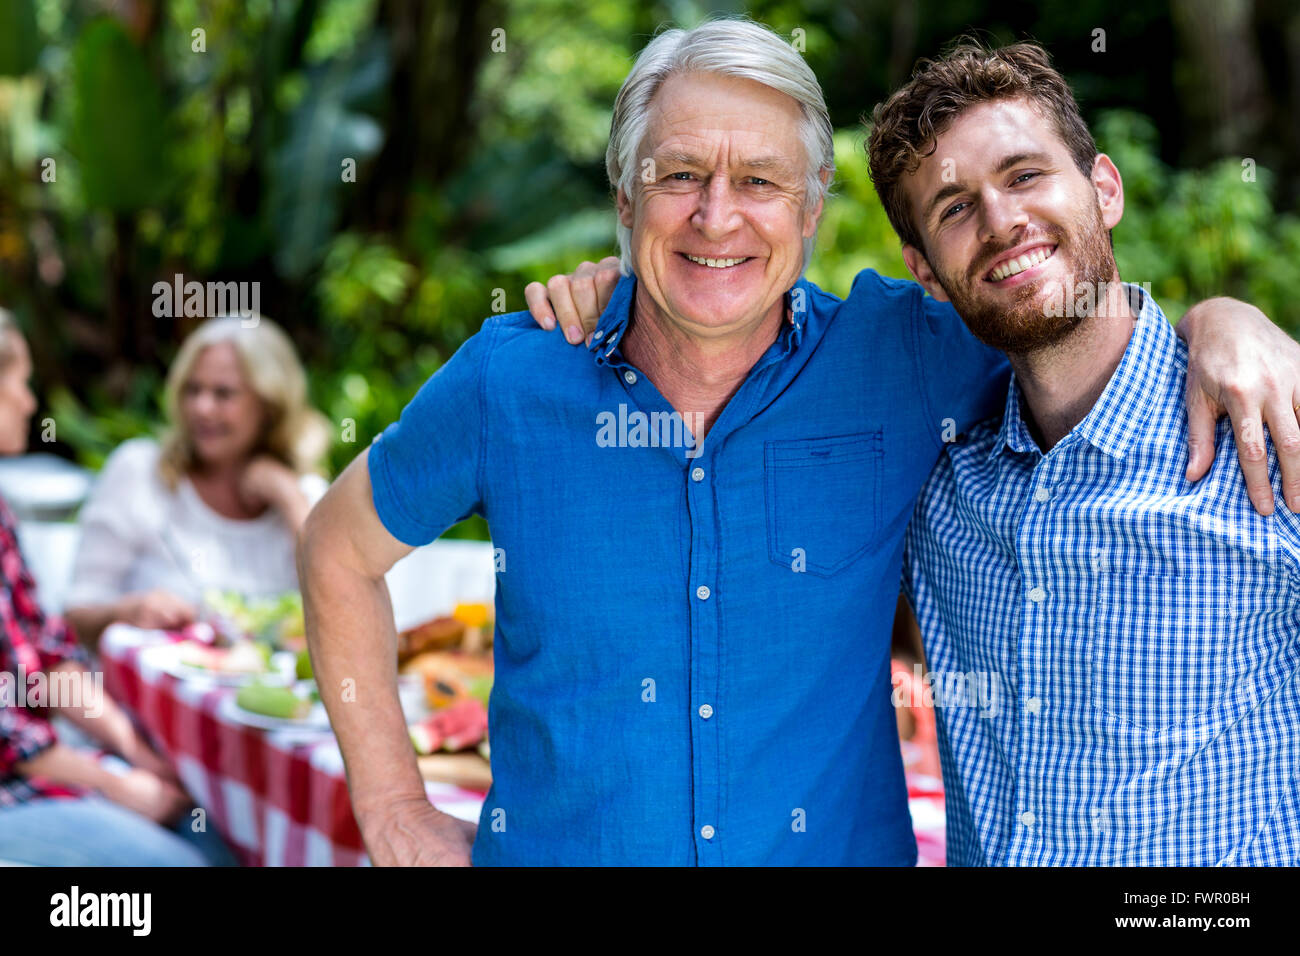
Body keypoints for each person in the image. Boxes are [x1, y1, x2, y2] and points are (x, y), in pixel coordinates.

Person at [303, 19, 1299, 866]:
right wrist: (391, 804)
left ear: (813, 211)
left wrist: (1227, 320)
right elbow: (337, 552)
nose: (716, 215)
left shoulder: (907, 357)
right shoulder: (510, 379)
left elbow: (1062, 306)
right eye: (679, 174)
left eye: (760, 181)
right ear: (623, 198)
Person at [860, 40, 1300, 865]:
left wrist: (1228, 315)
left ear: (1104, 188)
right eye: (955, 207)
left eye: (1026, 176)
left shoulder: (1274, 439)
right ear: (924, 270)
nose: (1001, 222)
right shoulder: (936, 480)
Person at [0, 307, 236, 866]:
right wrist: (117, 786)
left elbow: (46, 654)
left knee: (216, 836)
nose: (30, 402)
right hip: (14, 794)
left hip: (41, 773)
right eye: (20, 381)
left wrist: (135, 753)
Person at [64, 315, 331, 648]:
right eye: (193, 390)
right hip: (142, 696)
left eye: (224, 394)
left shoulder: (304, 497)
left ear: (269, 406)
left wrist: (288, 498)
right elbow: (71, 621)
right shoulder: (141, 472)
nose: (202, 408)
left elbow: (344, 617)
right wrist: (126, 612)